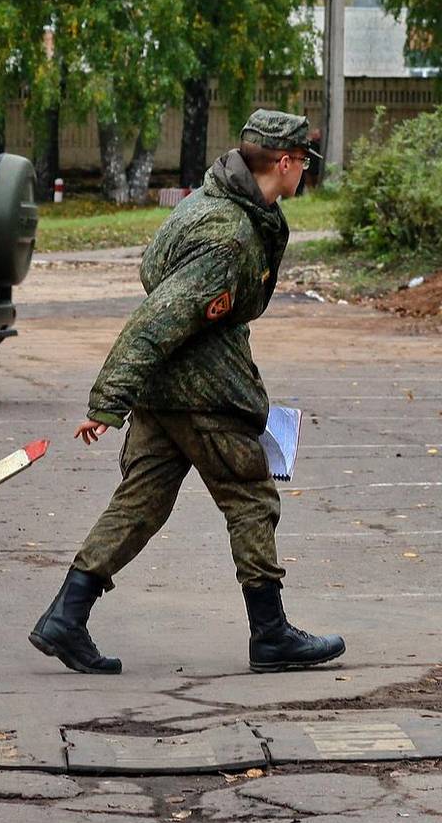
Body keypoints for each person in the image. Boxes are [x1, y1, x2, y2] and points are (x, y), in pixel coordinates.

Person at [29, 110, 345, 675]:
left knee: (140, 503)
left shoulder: (209, 203)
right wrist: (107, 401)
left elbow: (155, 274)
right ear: (285, 162)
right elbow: (158, 317)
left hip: (165, 391)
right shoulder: (228, 234)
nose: (305, 174)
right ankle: (271, 634)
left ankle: (66, 617)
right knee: (250, 498)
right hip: (202, 394)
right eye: (303, 163)